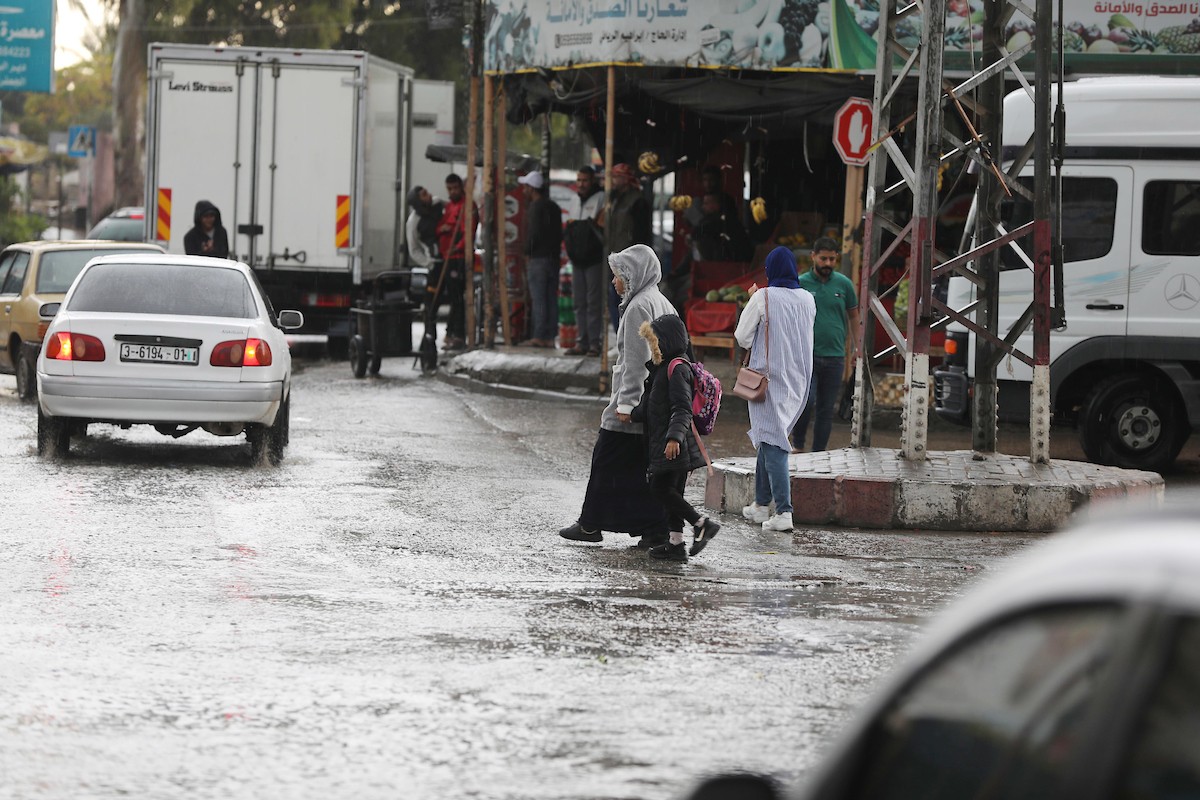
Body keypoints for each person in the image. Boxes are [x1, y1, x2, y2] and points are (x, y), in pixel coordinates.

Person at [558, 244, 676, 549]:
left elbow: (635, 360)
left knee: (606, 460)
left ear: (633, 275)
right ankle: (653, 529)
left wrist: (626, 404)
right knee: (640, 470)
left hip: (635, 402)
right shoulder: (661, 301)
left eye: (618, 274)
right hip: (655, 400)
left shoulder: (638, 306)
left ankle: (590, 524)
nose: (614, 281)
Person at [734, 246, 817, 532]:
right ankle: (760, 504)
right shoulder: (808, 298)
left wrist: (753, 301)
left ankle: (784, 512)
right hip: (798, 379)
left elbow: (743, 337)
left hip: (768, 381)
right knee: (768, 438)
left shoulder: (763, 297)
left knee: (775, 443)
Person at [630, 313, 722, 561]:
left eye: (655, 341)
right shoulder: (662, 368)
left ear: (667, 340)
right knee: (672, 492)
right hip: (667, 441)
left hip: (674, 444)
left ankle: (701, 523)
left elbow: (682, 408)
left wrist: (674, 438)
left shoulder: (677, 368)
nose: (652, 347)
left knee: (660, 489)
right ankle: (676, 544)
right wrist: (632, 414)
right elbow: (652, 405)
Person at [792, 237, 860, 453]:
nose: (828, 263)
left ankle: (818, 452)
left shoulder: (844, 284)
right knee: (806, 402)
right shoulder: (800, 283)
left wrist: (858, 349)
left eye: (832, 259)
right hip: (806, 356)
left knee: (825, 409)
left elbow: (854, 318)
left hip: (835, 357)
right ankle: (798, 444)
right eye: (823, 258)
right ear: (813, 256)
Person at [600, 163, 652, 333]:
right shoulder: (614, 200)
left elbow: (641, 235)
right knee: (614, 300)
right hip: (614, 258)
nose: (614, 181)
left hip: (629, 260)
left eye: (617, 177)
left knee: (628, 303)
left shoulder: (637, 201)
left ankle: (630, 338)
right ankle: (619, 336)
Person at [562, 165, 605, 356]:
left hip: (594, 259)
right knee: (579, 303)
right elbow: (570, 229)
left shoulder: (601, 198)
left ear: (592, 181)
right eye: (579, 180)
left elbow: (600, 230)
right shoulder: (573, 200)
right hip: (577, 260)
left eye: (585, 180)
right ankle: (582, 341)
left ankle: (594, 343)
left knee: (593, 302)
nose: (581, 184)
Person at [518, 171, 563, 348]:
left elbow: (533, 234)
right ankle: (550, 336)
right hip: (552, 259)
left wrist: (526, 252)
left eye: (526, 187)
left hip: (538, 259)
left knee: (539, 298)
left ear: (531, 188)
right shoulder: (554, 207)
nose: (524, 191)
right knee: (550, 298)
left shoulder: (535, 208)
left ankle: (539, 335)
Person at [434, 173, 475, 351]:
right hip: (447, 258)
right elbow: (439, 227)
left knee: (458, 298)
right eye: (449, 189)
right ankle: (450, 332)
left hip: (458, 259)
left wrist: (456, 248)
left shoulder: (468, 206)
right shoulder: (449, 206)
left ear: (461, 187)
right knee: (452, 298)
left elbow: (468, 234)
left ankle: (458, 335)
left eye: (455, 188)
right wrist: (444, 229)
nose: (452, 192)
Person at [405, 185, 444, 269]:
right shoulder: (413, 222)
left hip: (451, 255)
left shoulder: (437, 203)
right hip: (435, 261)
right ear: (418, 202)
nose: (430, 195)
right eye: (424, 194)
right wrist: (429, 264)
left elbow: (452, 208)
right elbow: (414, 250)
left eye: (427, 192)